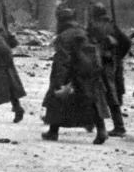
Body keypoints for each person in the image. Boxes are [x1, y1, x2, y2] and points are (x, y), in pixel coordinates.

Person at [42, 8, 110, 144]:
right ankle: (101, 130)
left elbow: (63, 60)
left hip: (73, 73)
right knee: (93, 101)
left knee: (57, 99)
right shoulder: (84, 32)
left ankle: (53, 132)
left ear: (60, 20)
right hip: (91, 72)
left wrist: (58, 82)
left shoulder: (64, 36)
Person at [87, 3, 130, 137]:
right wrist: (118, 56)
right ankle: (95, 123)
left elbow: (88, 44)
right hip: (111, 63)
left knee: (99, 92)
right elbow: (126, 42)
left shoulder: (94, 26)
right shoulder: (112, 25)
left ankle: (118, 126)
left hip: (99, 63)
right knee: (110, 93)